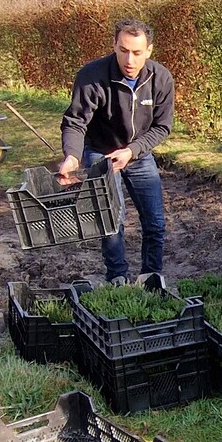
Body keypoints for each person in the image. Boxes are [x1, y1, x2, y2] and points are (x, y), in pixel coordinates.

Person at [58, 19, 175, 284]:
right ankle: (117, 279)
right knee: (111, 221)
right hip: (101, 153)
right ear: (114, 45)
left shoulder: (161, 79)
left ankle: (151, 277)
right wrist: (73, 157)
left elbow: (162, 127)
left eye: (136, 52)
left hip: (139, 153)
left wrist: (132, 151)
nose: (129, 60)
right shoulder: (92, 76)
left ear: (149, 51)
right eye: (123, 50)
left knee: (155, 222)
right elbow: (75, 122)